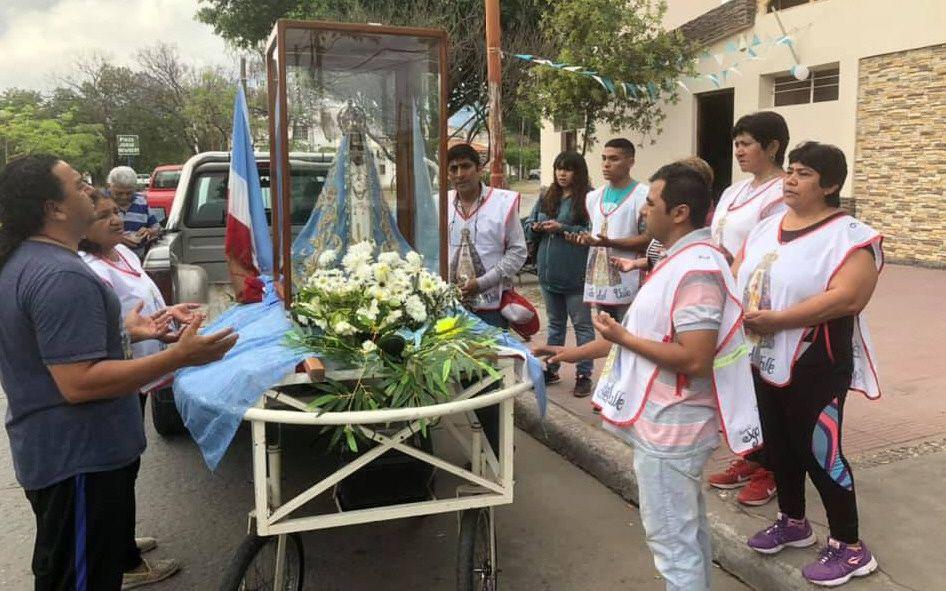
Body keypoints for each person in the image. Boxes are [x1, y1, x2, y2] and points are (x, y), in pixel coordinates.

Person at [0, 155, 238, 590]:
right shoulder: (60, 276)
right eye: (78, 185)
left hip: (65, 456)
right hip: (79, 461)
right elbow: (78, 382)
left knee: (75, 570)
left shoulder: (36, 261)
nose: (90, 190)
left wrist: (130, 330)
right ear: (54, 208)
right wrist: (180, 357)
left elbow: (56, 350)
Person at [535, 163, 762, 591]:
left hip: (675, 427)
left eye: (651, 204)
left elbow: (694, 358)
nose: (643, 212)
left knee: (672, 541)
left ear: (678, 212)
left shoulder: (696, 269)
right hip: (667, 423)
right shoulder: (677, 259)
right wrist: (569, 352)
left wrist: (622, 336)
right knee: (684, 534)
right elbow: (639, 336)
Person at [737, 142, 881, 586]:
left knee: (821, 450)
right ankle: (793, 521)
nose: (791, 180)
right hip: (761, 356)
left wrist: (777, 319)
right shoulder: (766, 228)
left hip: (816, 362)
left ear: (831, 184)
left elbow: (848, 297)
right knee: (779, 447)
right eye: (790, 172)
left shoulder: (852, 235)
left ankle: (851, 547)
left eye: (803, 174)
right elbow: (740, 271)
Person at [706, 111, 790, 506]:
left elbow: (773, 244)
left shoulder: (781, 192)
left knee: (766, 387)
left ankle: (774, 468)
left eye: (746, 144)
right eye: (736, 144)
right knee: (742, 382)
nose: (738, 151)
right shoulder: (733, 192)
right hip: (727, 294)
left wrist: (731, 259)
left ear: (772, 146)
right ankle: (751, 455)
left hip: (761, 299)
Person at [524, 151, 595, 396]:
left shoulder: (588, 199)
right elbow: (528, 225)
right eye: (558, 169)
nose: (562, 174)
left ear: (579, 172)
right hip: (548, 274)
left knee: (582, 326)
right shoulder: (547, 196)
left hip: (575, 276)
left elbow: (590, 232)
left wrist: (561, 228)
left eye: (568, 169)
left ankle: (584, 374)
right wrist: (534, 227)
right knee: (555, 324)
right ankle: (552, 369)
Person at [564, 138, 650, 323]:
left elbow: (649, 239)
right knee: (607, 338)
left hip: (630, 281)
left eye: (614, 159)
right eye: (603, 158)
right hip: (599, 282)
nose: (606, 164)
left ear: (630, 162)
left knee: (629, 336)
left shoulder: (643, 196)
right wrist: (584, 240)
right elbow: (593, 234)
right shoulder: (593, 197)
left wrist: (610, 242)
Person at [446, 143, 527, 328]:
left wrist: (482, 282)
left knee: (490, 357)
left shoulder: (502, 202)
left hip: (491, 309)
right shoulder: (440, 203)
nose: (459, 174)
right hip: (449, 307)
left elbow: (518, 252)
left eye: (466, 166)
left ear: (479, 169)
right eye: (453, 169)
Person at [106, 166, 161, 259]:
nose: (124, 197)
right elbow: (88, 233)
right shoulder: (101, 202)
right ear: (109, 186)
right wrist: (117, 239)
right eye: (119, 193)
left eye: (129, 193)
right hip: (110, 260)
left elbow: (156, 227)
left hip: (138, 259)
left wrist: (149, 231)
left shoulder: (141, 202)